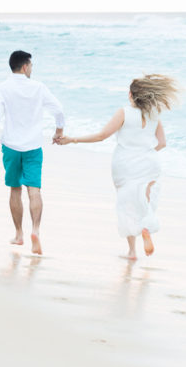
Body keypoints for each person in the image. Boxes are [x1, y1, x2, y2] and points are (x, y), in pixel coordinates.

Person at [55, 74, 178, 260]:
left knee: (127, 204)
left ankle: (132, 251)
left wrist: (73, 139)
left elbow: (101, 136)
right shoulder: (154, 115)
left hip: (125, 163)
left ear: (131, 95)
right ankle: (146, 227)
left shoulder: (124, 112)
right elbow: (161, 143)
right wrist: (145, 153)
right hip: (149, 162)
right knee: (145, 199)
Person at [0, 50, 65, 255]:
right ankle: (36, 231)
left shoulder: (1, 88)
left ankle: (19, 234)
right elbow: (58, 109)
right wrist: (59, 130)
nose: (31, 69)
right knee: (34, 189)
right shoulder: (39, 88)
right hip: (33, 146)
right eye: (31, 66)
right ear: (24, 67)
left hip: (11, 146)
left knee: (14, 189)